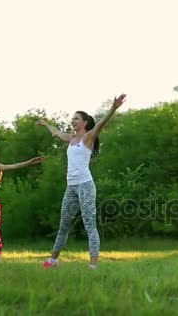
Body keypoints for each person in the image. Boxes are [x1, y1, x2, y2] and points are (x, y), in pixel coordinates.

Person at [38, 94, 126, 270]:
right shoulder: (71, 139)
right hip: (71, 187)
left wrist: (114, 108)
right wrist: (46, 124)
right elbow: (56, 133)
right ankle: (53, 260)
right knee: (64, 224)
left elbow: (100, 124)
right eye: (72, 119)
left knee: (89, 224)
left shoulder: (88, 138)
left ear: (84, 123)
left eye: (76, 119)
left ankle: (93, 265)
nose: (73, 121)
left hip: (85, 185)